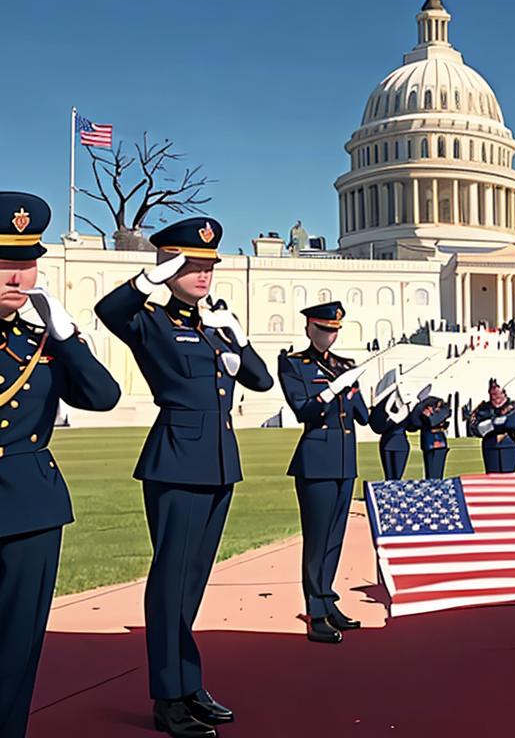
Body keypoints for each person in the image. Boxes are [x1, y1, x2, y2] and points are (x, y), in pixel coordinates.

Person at [95, 217, 274, 737]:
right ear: (168, 266)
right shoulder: (149, 319)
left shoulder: (212, 324)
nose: (203, 274)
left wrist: (239, 338)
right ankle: (168, 696)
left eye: (208, 266)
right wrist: (151, 279)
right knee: (170, 582)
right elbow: (109, 311)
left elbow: (260, 381)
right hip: (176, 460)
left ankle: (188, 683)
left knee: (192, 584)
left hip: (218, 461)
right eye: (190, 265)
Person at [0, 192, 120, 738]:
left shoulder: (44, 339)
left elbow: (102, 396)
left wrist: (69, 338)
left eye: (27, 263)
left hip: (30, 506)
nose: (17, 276)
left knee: (17, 645)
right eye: (5, 262)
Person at [277, 301, 367, 645]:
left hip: (345, 461)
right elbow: (303, 410)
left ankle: (328, 601)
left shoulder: (346, 365)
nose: (329, 335)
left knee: (334, 539)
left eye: (333, 331)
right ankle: (315, 611)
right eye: (323, 329)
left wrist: (393, 404)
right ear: (309, 329)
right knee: (316, 540)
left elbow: (362, 417)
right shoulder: (293, 364)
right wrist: (332, 390)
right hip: (316, 461)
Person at [469, 378, 515, 473]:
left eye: (498, 392)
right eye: (493, 393)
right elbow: (475, 428)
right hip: (490, 444)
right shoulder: (484, 408)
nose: (496, 396)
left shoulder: (512, 407)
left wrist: (491, 423)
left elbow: (514, 424)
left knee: (508, 477)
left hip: (508, 444)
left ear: (504, 393)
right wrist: (493, 422)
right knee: (492, 477)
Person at [369, 387, 411, 480]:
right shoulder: (404, 407)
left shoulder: (385, 406)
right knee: (394, 478)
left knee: (390, 477)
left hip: (391, 442)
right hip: (396, 442)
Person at [408, 386, 451, 479]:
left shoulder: (441, 410)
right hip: (429, 440)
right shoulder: (422, 412)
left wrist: (430, 415)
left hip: (437, 440)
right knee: (431, 474)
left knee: (436, 474)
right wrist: (426, 415)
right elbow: (415, 423)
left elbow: (436, 420)